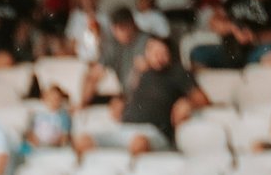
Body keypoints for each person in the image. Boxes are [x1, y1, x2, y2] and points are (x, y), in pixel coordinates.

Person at [76, 34, 205, 155]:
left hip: (153, 133)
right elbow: (135, 97)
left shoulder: (179, 73)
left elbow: (203, 99)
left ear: (169, 53)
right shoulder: (144, 73)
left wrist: (187, 102)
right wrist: (121, 103)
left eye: (161, 51)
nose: (157, 55)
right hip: (124, 127)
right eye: (152, 50)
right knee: (83, 141)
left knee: (138, 143)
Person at [25, 83, 73, 149]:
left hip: (52, 147)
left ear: (60, 100)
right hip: (34, 146)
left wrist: (54, 143)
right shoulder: (36, 114)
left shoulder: (63, 116)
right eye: (50, 97)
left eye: (56, 98)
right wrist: (32, 140)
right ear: (44, 97)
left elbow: (64, 138)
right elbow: (29, 132)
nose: (53, 100)